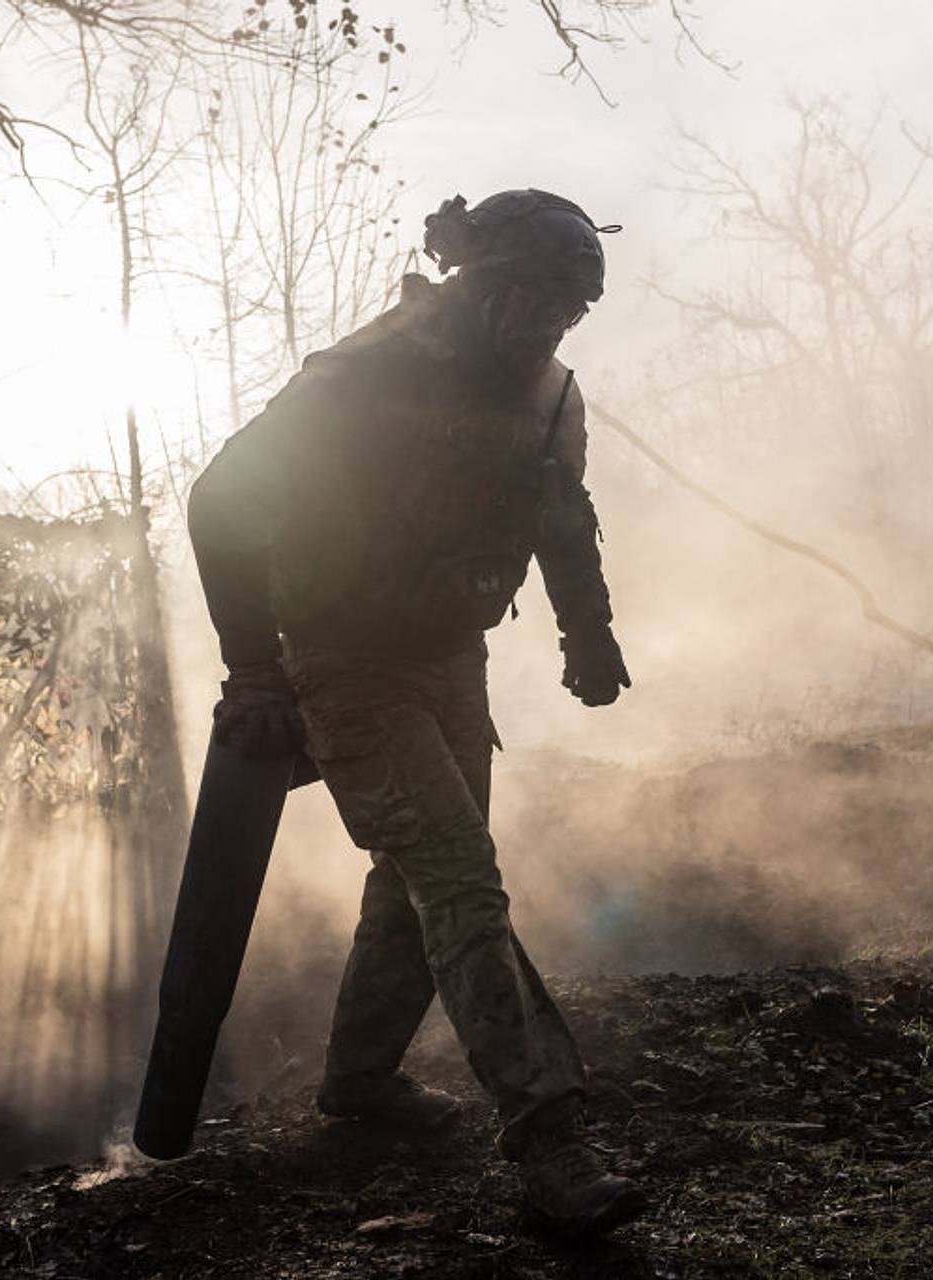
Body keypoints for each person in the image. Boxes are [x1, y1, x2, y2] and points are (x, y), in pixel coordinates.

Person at [186, 189, 645, 1236]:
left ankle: (357, 1084)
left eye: (571, 310)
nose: (551, 326)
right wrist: (254, 669)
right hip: (345, 664)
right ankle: (551, 1141)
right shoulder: (361, 372)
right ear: (481, 281)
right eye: (535, 299)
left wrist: (587, 631)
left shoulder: (550, 395)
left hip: (449, 661)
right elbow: (221, 499)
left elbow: (559, 513)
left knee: (414, 879)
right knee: (459, 880)